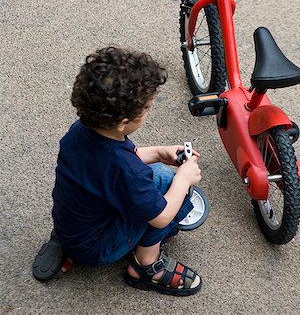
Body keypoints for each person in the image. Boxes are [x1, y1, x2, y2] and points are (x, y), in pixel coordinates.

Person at [32, 46, 202, 296]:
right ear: (123, 122)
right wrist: (184, 179)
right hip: (99, 248)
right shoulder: (127, 171)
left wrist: (157, 152)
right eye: (146, 108)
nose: (147, 112)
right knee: (167, 182)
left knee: (152, 173)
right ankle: (146, 266)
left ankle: (66, 245)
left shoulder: (79, 132)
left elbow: (112, 167)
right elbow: (161, 216)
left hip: (72, 227)